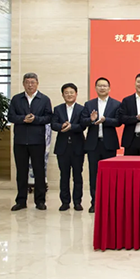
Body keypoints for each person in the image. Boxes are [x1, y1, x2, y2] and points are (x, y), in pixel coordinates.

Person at [8, 72, 52, 211]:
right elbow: (10, 116)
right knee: (21, 172)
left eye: (33, 82)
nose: (30, 85)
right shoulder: (16, 99)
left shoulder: (44, 99)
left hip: (37, 140)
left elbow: (49, 117)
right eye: (27, 82)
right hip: (20, 141)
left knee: (39, 171)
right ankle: (21, 201)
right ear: (23, 84)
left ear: (37, 83)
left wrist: (35, 119)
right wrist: (23, 119)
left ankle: (40, 201)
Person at [81, 77, 121, 213]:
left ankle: (110, 203)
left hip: (109, 144)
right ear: (95, 88)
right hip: (93, 144)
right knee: (94, 174)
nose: (102, 88)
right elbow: (83, 121)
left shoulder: (116, 104)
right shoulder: (89, 104)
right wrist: (91, 120)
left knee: (110, 175)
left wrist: (106, 120)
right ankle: (95, 203)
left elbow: (118, 121)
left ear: (109, 88)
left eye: (105, 86)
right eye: (99, 86)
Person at [51, 83, 86, 211]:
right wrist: (62, 126)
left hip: (78, 147)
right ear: (62, 95)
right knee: (64, 175)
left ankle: (77, 202)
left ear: (76, 94)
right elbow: (53, 124)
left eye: (72, 92)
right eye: (66, 93)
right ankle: (65, 202)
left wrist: (71, 127)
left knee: (78, 175)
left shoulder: (82, 109)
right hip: (62, 147)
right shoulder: (58, 109)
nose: (69, 95)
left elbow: (83, 125)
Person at [118, 73, 140, 156]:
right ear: (135, 84)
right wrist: (137, 118)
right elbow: (121, 118)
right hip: (130, 140)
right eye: (139, 82)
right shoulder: (127, 100)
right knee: (129, 163)